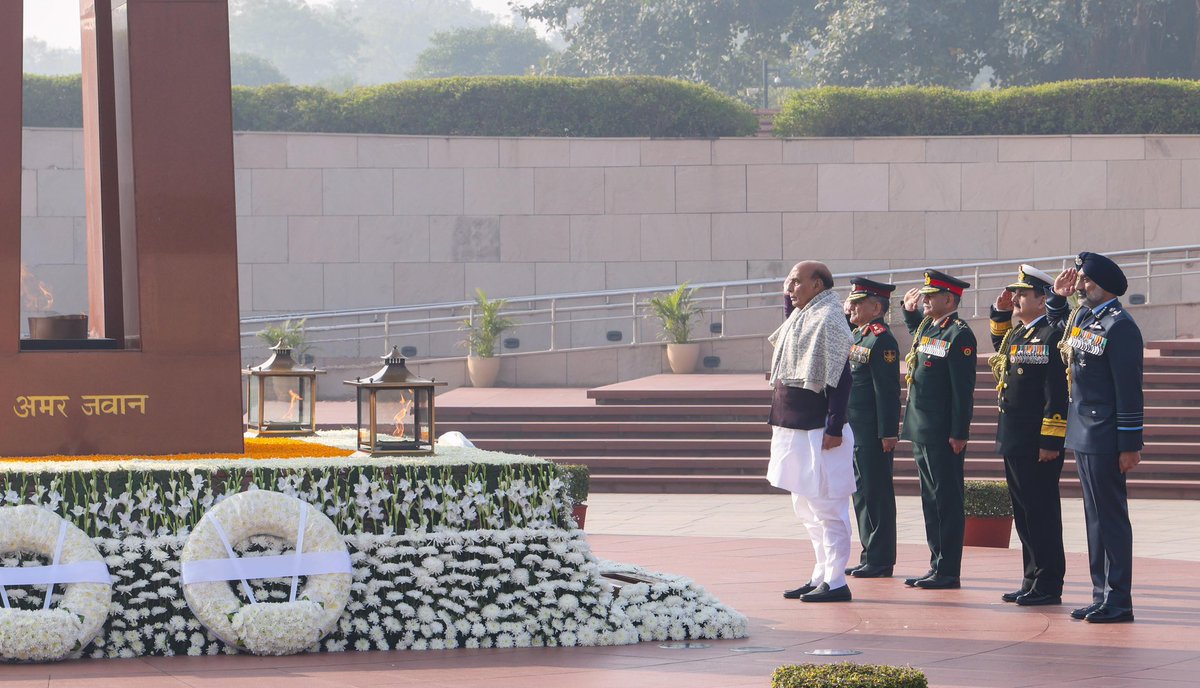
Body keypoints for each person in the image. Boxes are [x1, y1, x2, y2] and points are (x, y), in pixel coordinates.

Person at [1048, 252, 1143, 624]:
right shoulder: (1086, 316)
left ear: (1102, 284)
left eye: (1085, 280)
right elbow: (1059, 332)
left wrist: (1130, 444)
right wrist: (1056, 297)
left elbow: (1130, 390)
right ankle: (1101, 594)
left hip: (1106, 433)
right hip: (1084, 430)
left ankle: (1119, 599)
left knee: (1111, 518)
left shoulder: (1120, 326)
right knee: (1094, 518)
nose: (1080, 285)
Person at [768, 261, 856, 603]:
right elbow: (790, 306)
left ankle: (836, 581)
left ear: (818, 285)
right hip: (793, 425)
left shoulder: (828, 318)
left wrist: (835, 425)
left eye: (796, 282)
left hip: (820, 429)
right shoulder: (803, 315)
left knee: (829, 507)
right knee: (805, 508)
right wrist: (790, 293)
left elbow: (841, 376)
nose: (790, 288)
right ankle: (820, 574)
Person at [988, 265, 1068, 606]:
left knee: (1041, 512)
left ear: (1043, 298)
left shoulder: (1052, 335)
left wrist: (1051, 440)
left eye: (1022, 293)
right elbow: (998, 343)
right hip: (1015, 437)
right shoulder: (1020, 334)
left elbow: (1057, 392)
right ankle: (1031, 577)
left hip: (1038, 441)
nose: (1016, 297)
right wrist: (998, 312)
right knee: (1023, 512)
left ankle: (1048, 583)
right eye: (1015, 292)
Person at [900, 269, 977, 590]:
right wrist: (908, 311)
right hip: (921, 428)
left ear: (949, 299)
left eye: (931, 297)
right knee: (930, 500)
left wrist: (959, 431)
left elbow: (963, 390)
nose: (925, 301)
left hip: (943, 431)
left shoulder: (959, 335)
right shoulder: (930, 327)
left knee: (946, 499)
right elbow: (916, 334)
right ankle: (936, 563)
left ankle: (948, 570)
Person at [843, 277, 901, 579]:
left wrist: (888, 432)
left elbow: (887, 391)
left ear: (876, 307)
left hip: (874, 432)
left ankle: (881, 558)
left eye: (858, 302)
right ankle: (869, 553)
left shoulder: (882, 340)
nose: (851, 306)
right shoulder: (859, 335)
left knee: (877, 493)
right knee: (862, 492)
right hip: (857, 429)